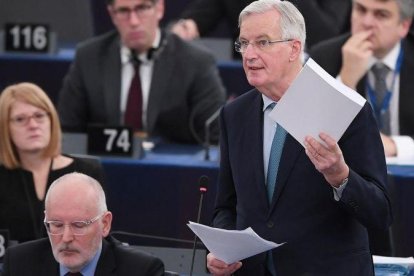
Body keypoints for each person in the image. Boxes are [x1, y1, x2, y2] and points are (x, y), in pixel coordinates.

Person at [206, 1, 391, 275]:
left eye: (263, 42)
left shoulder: (344, 109)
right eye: (244, 43)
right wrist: (222, 251)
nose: (249, 54)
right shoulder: (234, 115)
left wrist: (341, 177)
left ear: (294, 48)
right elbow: (227, 207)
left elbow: (379, 213)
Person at [58, 0, 226, 145]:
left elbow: (215, 136)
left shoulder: (195, 62)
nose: (134, 21)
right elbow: (68, 132)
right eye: (124, 11)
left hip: (172, 175)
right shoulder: (88, 57)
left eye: (142, 8)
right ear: (112, 14)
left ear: (159, 7)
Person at [0, 82, 105, 243]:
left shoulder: (87, 172)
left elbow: (99, 235)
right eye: (20, 119)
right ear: (5, 128)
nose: (33, 125)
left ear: (51, 120)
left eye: (39, 116)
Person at [2, 172, 165, 275]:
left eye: (78, 225)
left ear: (105, 224)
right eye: (56, 225)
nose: (66, 238)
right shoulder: (18, 263)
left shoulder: (141, 271)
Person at [309, 0, 414, 159]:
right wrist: (345, 82)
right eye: (361, 10)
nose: (366, 22)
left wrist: (396, 146)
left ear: (404, 26)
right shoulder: (324, 56)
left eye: (381, 15)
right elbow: (314, 136)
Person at [171, 0, 352, 53]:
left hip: (310, 71)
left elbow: (328, 34)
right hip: (250, 78)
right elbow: (204, 12)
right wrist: (187, 25)